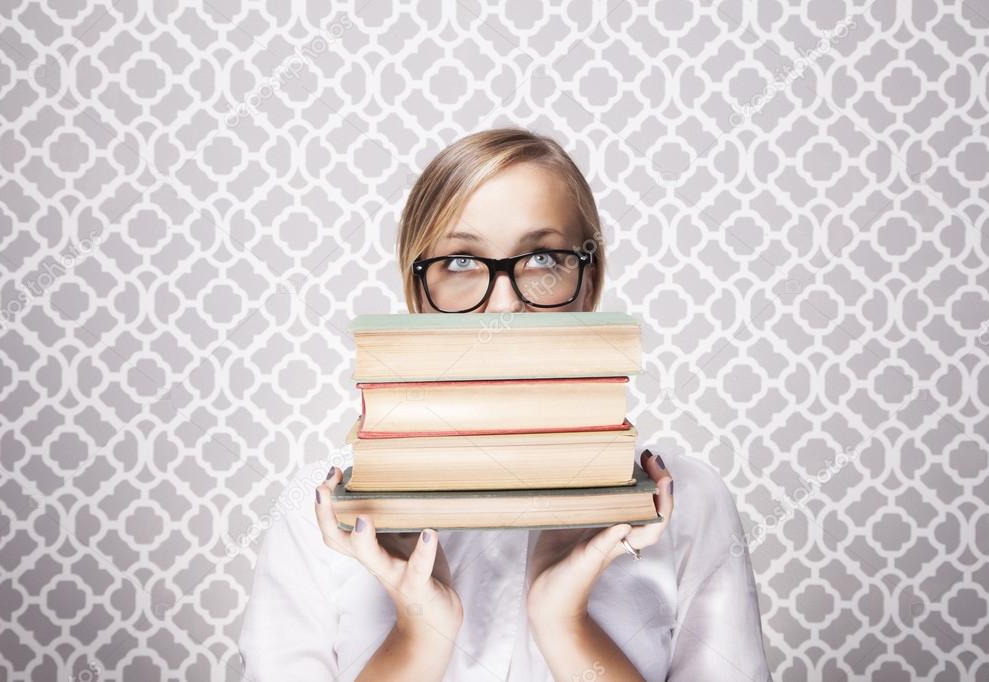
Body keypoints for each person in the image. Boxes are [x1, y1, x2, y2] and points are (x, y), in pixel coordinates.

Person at [237, 129, 772, 681]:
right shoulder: (323, 513)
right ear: (418, 293)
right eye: (462, 262)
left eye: (542, 257)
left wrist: (565, 620)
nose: (505, 302)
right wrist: (419, 630)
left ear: (588, 284)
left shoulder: (689, 504)